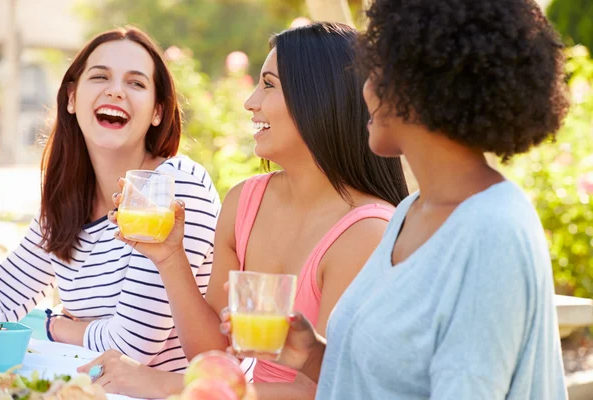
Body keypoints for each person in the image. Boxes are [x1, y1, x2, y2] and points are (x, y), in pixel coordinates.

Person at [221, 0, 571, 399]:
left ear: (422, 83)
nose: (364, 90)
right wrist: (313, 354)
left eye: (376, 72)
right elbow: (392, 379)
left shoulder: (493, 231)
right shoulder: (411, 212)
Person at [78, 22, 409, 399]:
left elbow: (323, 389)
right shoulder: (245, 201)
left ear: (319, 97)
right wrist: (170, 257)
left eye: (268, 84)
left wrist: (164, 384)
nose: (250, 101)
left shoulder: (366, 232)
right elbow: (214, 355)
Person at [0, 27, 219, 373]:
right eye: (100, 77)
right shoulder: (65, 201)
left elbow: (133, 344)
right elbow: (2, 296)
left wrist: (57, 326)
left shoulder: (173, 187)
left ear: (158, 111)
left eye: (136, 83)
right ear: (71, 97)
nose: (115, 91)